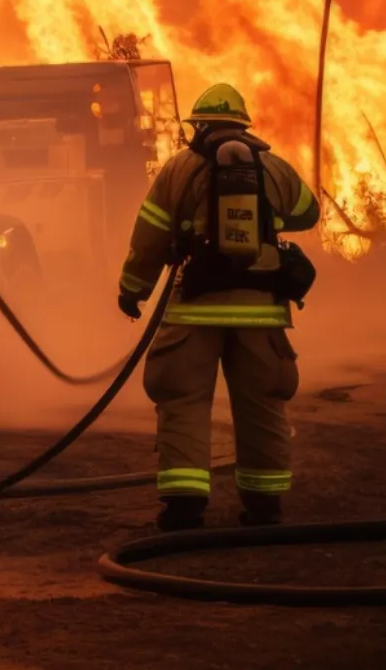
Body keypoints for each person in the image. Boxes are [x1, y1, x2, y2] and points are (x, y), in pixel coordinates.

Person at [116, 82, 321, 531]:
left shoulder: (179, 169)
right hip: (261, 310)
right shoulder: (272, 167)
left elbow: (148, 239)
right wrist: (269, 217)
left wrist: (133, 290)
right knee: (262, 405)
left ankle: (185, 507)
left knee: (183, 401)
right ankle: (265, 508)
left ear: (199, 126)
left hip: (194, 310)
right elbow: (309, 213)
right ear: (244, 127)